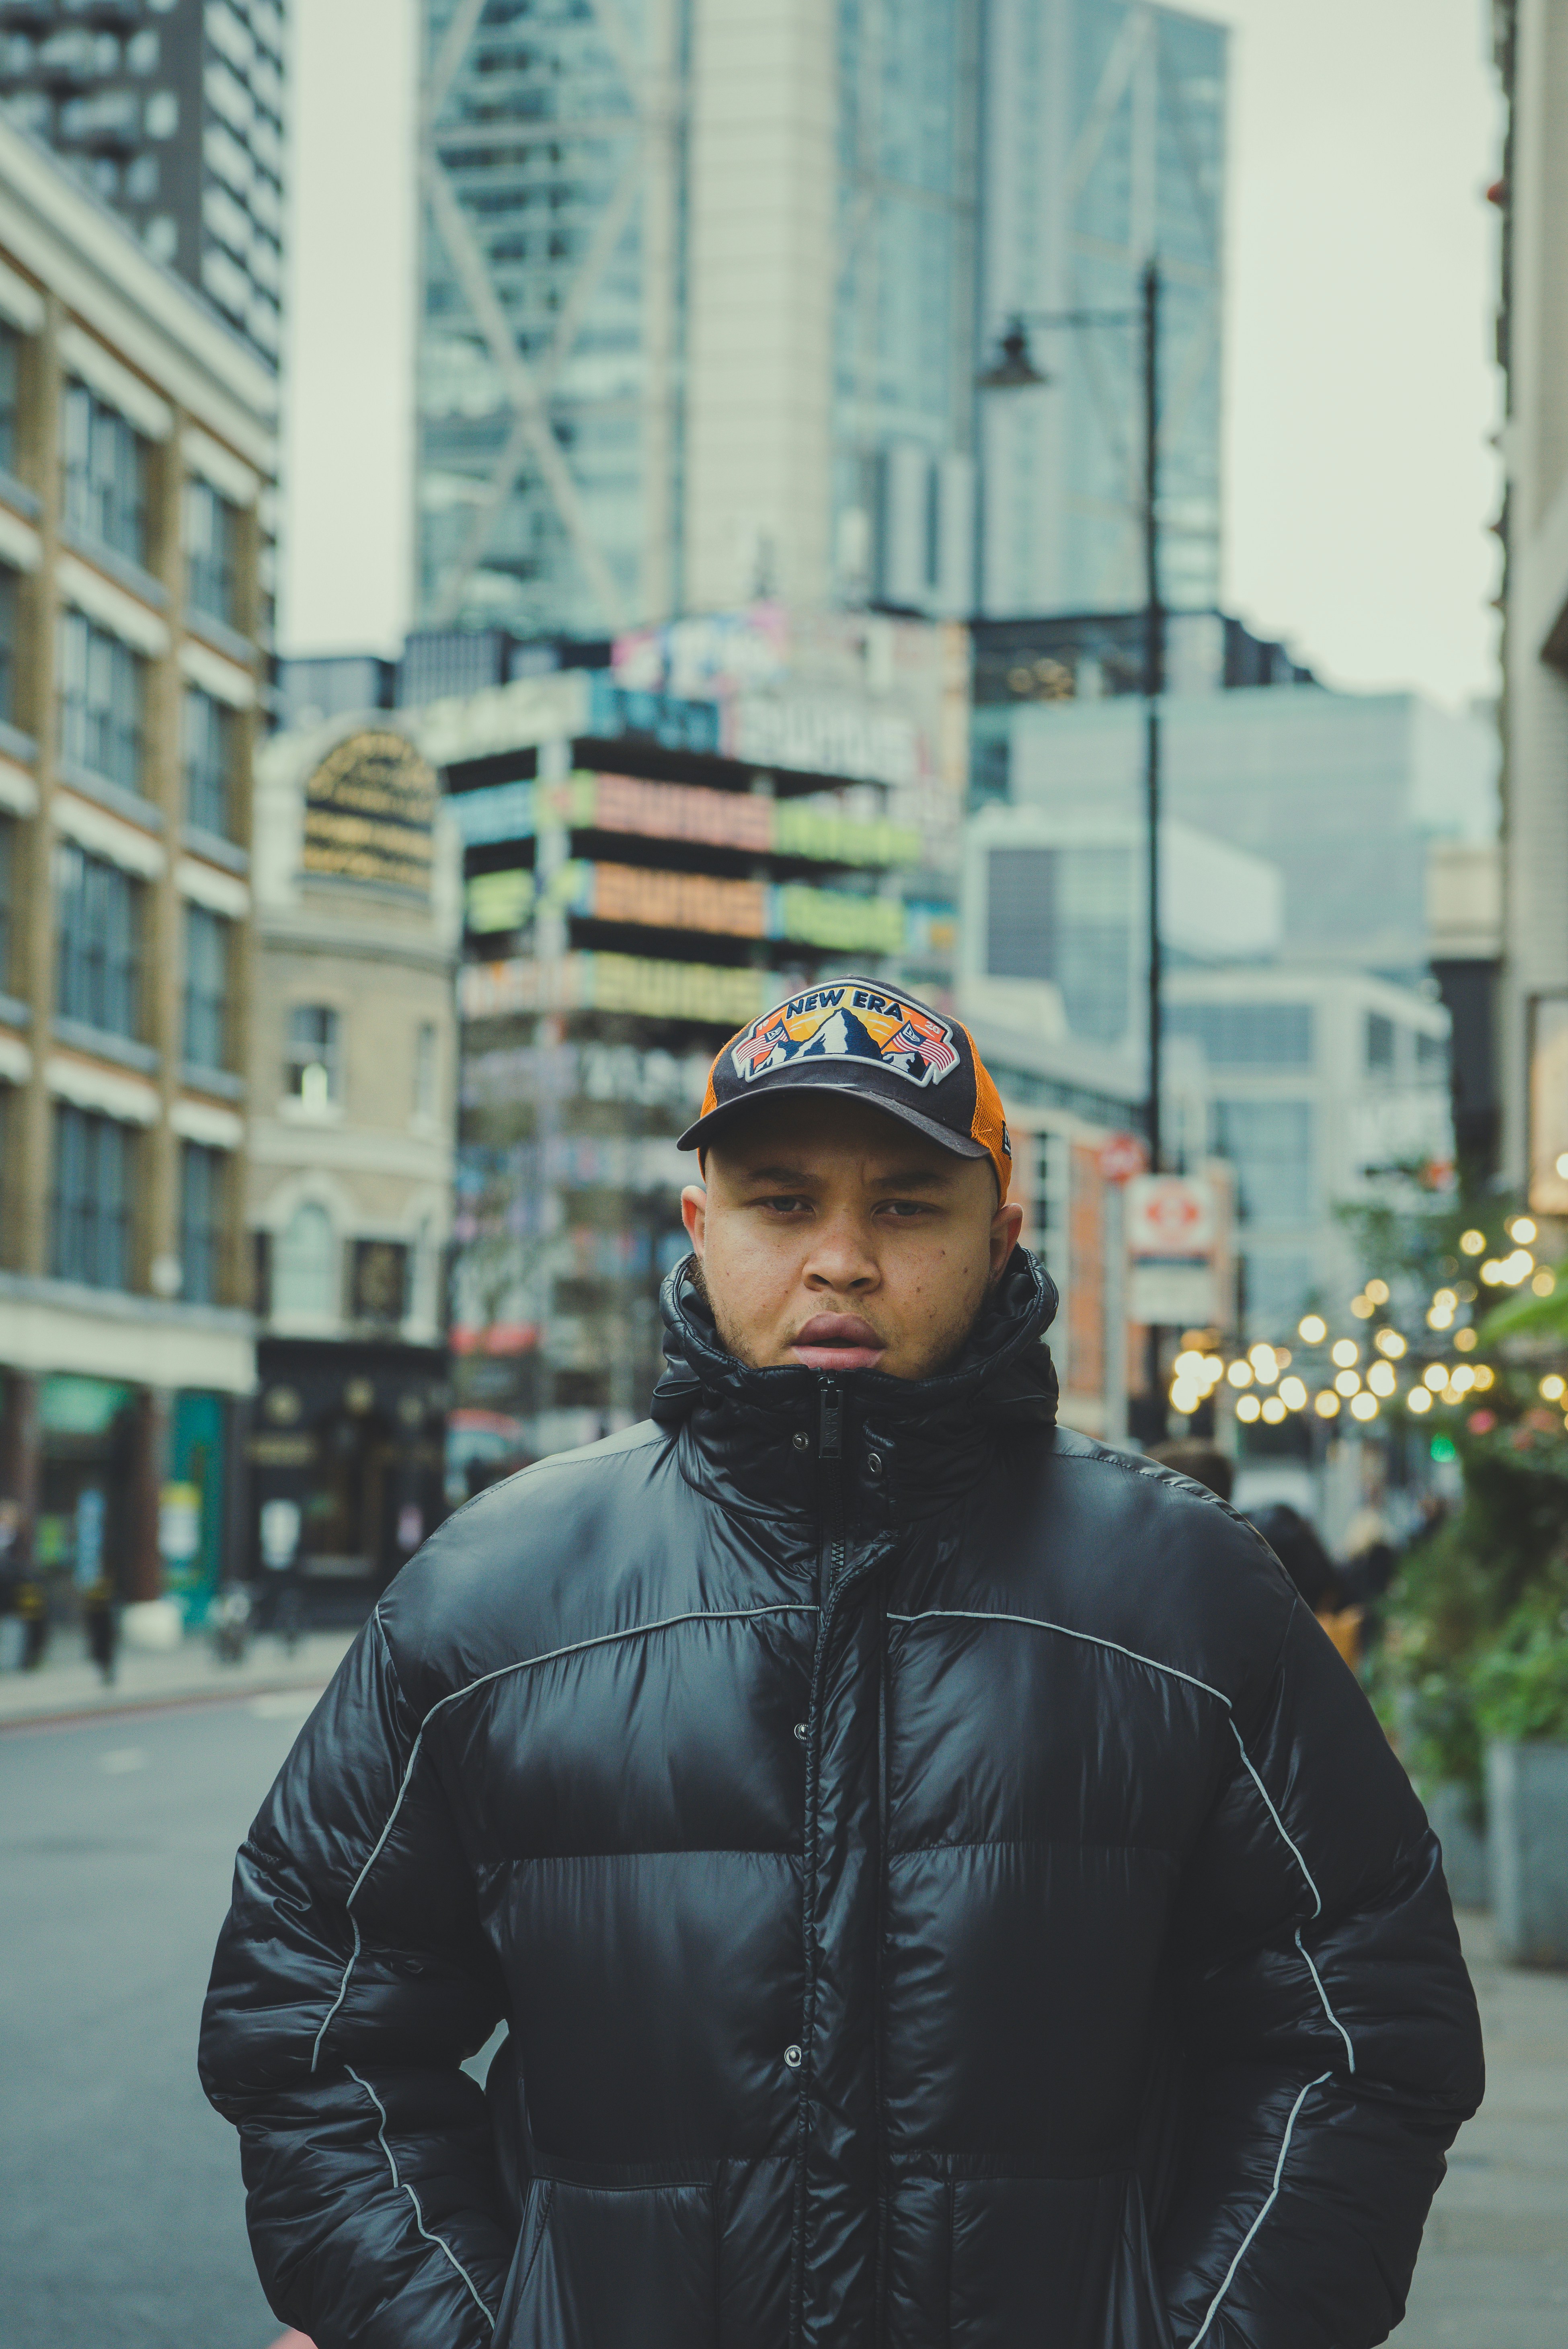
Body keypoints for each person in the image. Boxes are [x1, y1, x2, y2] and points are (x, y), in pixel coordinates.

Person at [200, 975, 1483, 2349]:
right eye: (781, 1199)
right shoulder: (487, 1598)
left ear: (1001, 1234)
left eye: (906, 1205)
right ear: (699, 1228)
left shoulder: (1188, 1597)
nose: (842, 1258)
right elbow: (314, 2024)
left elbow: (1361, 2036)